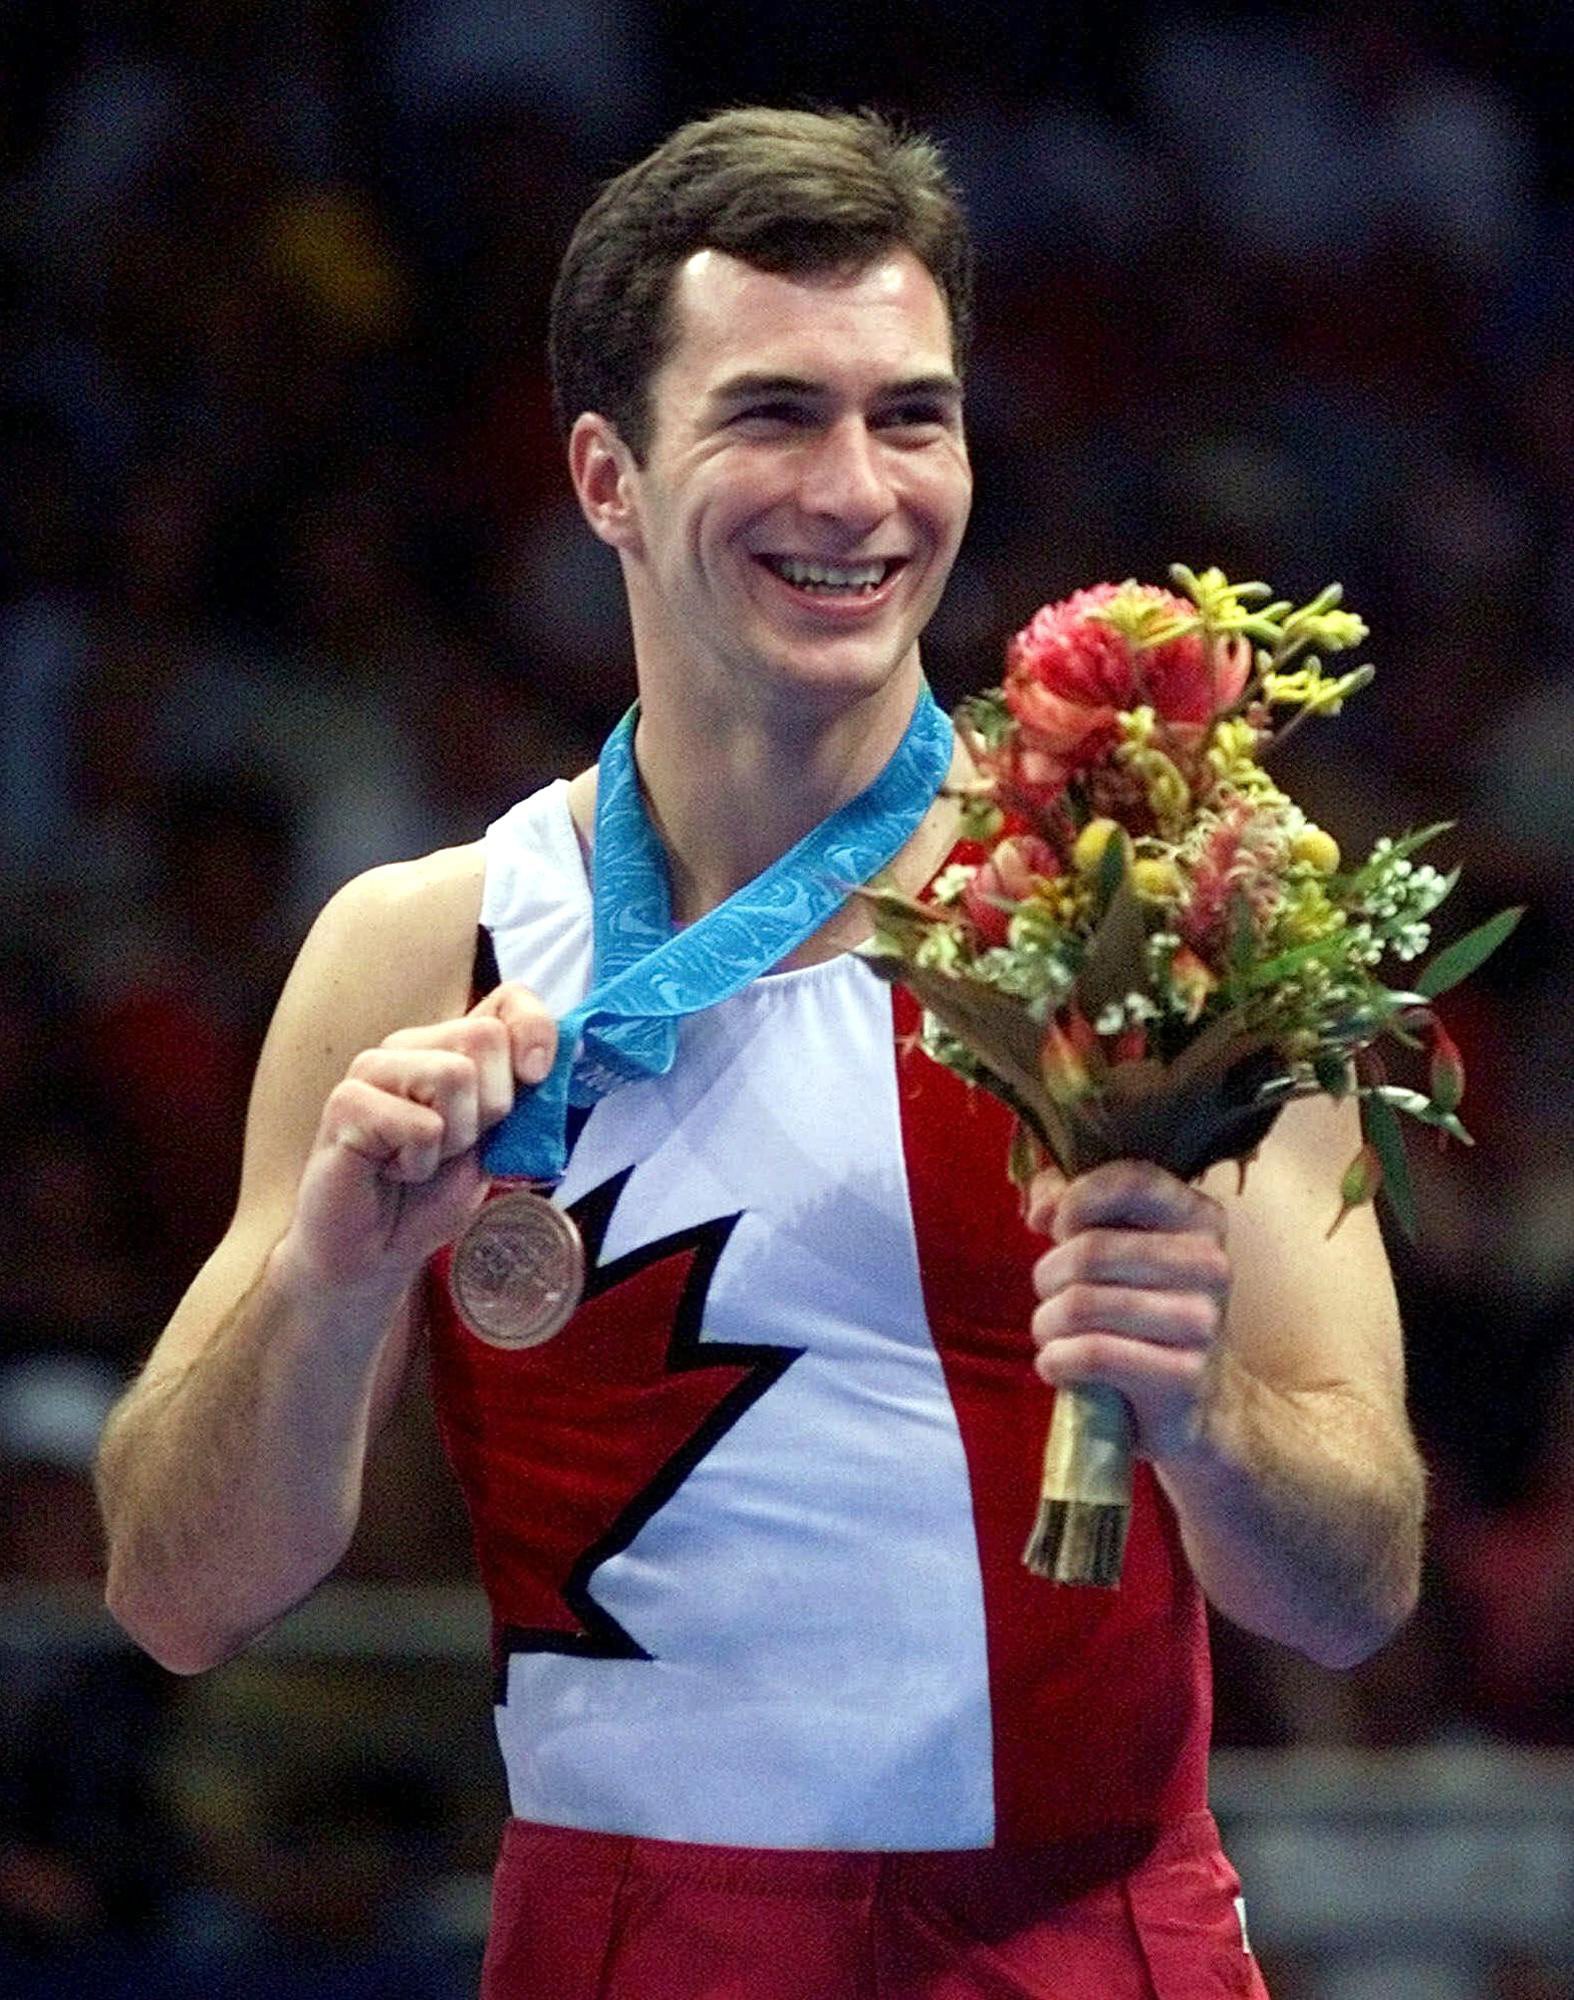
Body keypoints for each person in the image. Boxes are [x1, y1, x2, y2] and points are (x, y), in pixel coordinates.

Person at [96, 107, 1424, 1998]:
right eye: (772, 414)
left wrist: (1209, 1414)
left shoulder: (1165, 920)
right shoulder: (419, 948)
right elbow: (171, 1593)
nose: (859, 490)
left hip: (1074, 1938)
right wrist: (328, 1280)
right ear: (605, 477)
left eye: (913, 414)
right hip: (616, 1946)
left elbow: (1358, 1594)